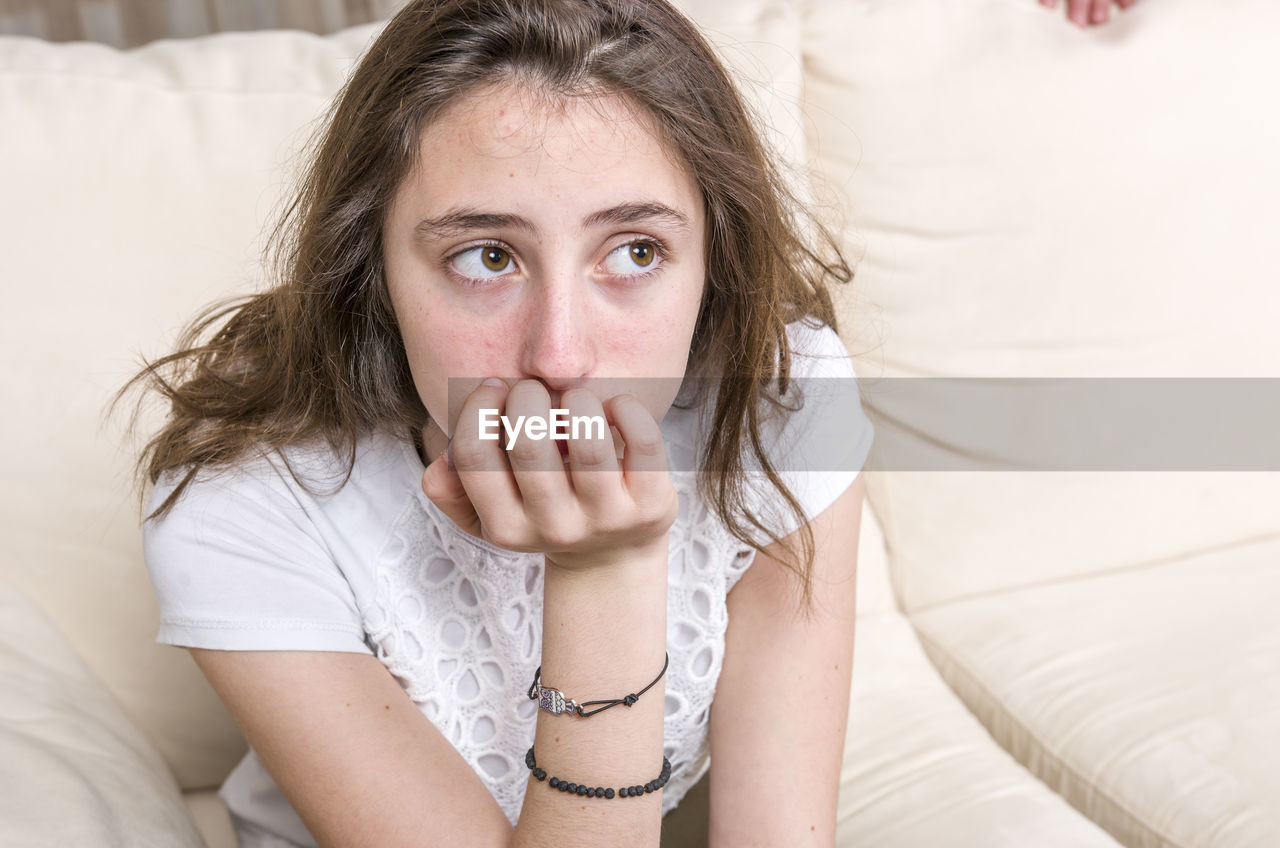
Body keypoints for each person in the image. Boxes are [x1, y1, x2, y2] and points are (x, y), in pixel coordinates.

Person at [118, 0, 874, 845]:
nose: (560, 355)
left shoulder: (781, 395)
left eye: (634, 251)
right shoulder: (242, 504)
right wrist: (603, 575)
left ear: (714, 259)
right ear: (372, 270)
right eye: (487, 257)